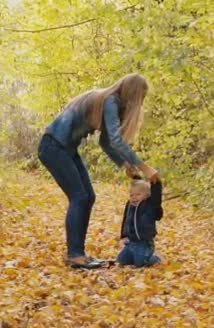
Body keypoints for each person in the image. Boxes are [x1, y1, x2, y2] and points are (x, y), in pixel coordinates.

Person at [38, 74, 159, 269]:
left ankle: (78, 253)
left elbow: (106, 142)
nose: (141, 102)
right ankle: (74, 255)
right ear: (134, 93)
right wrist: (145, 167)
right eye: (141, 97)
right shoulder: (111, 100)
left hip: (65, 148)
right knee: (79, 196)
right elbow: (116, 139)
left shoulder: (110, 102)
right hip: (53, 147)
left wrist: (123, 164)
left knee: (88, 196)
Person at [117, 177, 162, 267]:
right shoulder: (129, 205)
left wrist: (155, 183)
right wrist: (124, 235)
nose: (134, 197)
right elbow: (125, 220)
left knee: (140, 263)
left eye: (138, 194)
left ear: (146, 196)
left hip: (144, 243)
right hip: (131, 243)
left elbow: (156, 196)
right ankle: (135, 255)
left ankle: (155, 258)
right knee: (120, 260)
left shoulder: (149, 205)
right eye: (131, 195)